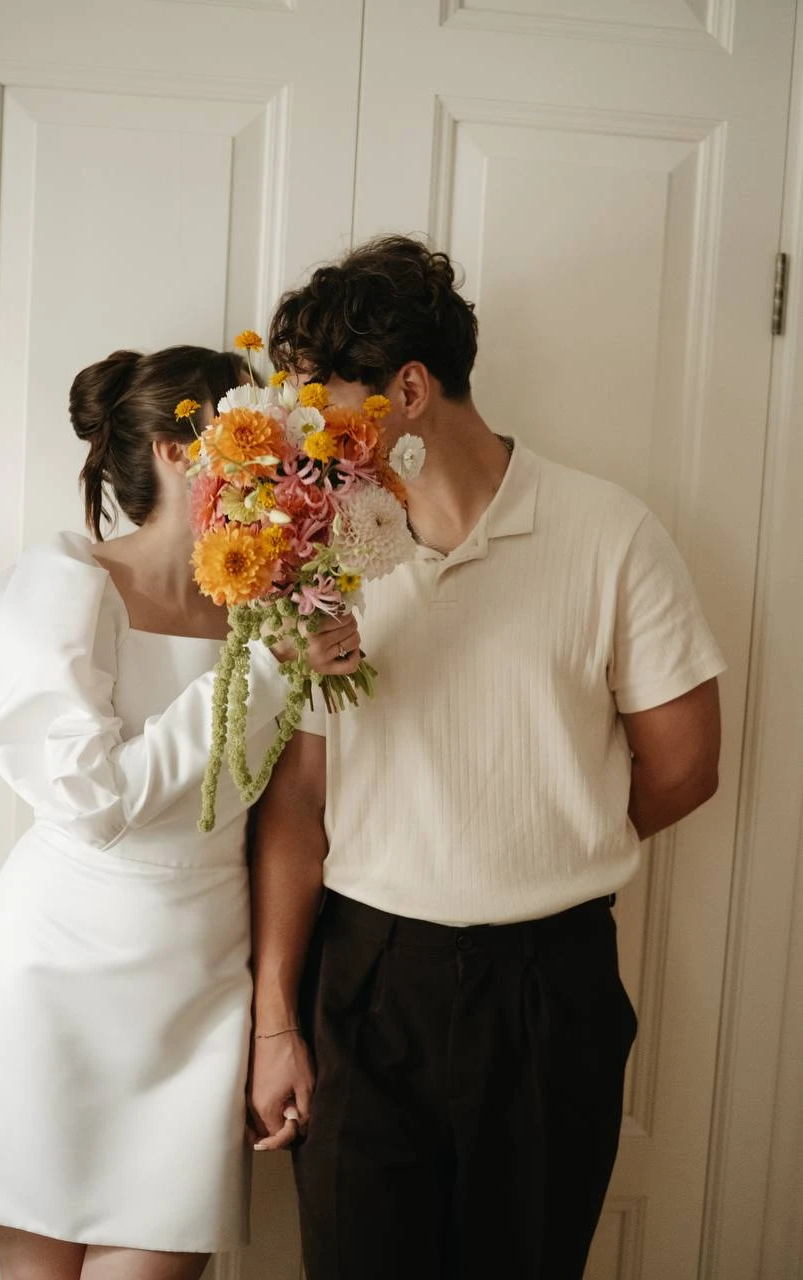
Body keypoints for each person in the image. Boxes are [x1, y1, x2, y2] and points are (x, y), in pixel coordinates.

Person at [248, 236, 727, 1279]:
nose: (311, 435)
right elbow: (298, 804)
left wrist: (544, 835)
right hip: (364, 981)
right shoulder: (319, 552)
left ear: (409, 391)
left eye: (328, 404)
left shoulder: (610, 532)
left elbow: (686, 764)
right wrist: (274, 1021)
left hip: (548, 992)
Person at [0, 344, 360, 1280]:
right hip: (49, 986)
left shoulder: (280, 602)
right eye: (253, 434)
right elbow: (97, 800)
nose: (278, 459)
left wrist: (274, 1020)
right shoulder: (63, 584)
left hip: (200, 988)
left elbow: (294, 813)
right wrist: (265, 673)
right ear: (178, 452)